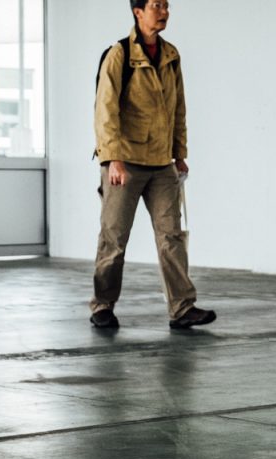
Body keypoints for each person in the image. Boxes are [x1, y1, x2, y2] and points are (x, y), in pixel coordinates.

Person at [91, 0, 215, 330]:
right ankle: (102, 305)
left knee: (172, 236)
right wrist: (113, 159)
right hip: (125, 163)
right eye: (157, 5)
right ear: (138, 11)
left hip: (162, 164)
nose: (164, 12)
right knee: (114, 238)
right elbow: (105, 111)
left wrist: (179, 154)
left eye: (166, 6)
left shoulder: (171, 54)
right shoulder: (119, 54)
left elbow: (178, 109)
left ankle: (182, 308)